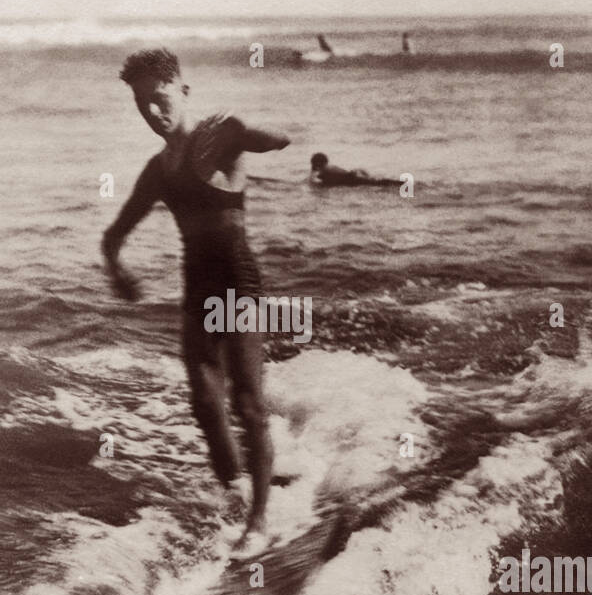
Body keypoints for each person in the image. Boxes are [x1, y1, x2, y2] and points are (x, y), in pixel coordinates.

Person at [101, 48, 291, 555]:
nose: (152, 112)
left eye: (159, 99)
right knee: (207, 404)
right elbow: (115, 232)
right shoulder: (159, 169)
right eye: (142, 104)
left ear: (182, 91)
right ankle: (236, 493)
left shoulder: (218, 137)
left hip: (238, 286)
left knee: (248, 405)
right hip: (198, 293)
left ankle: (260, 520)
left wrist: (254, 136)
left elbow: (274, 140)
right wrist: (117, 267)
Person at [309, 152, 397, 188]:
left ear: (316, 164)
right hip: (354, 175)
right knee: (381, 182)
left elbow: (316, 183)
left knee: (380, 184)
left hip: (352, 180)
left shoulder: (323, 172)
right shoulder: (331, 167)